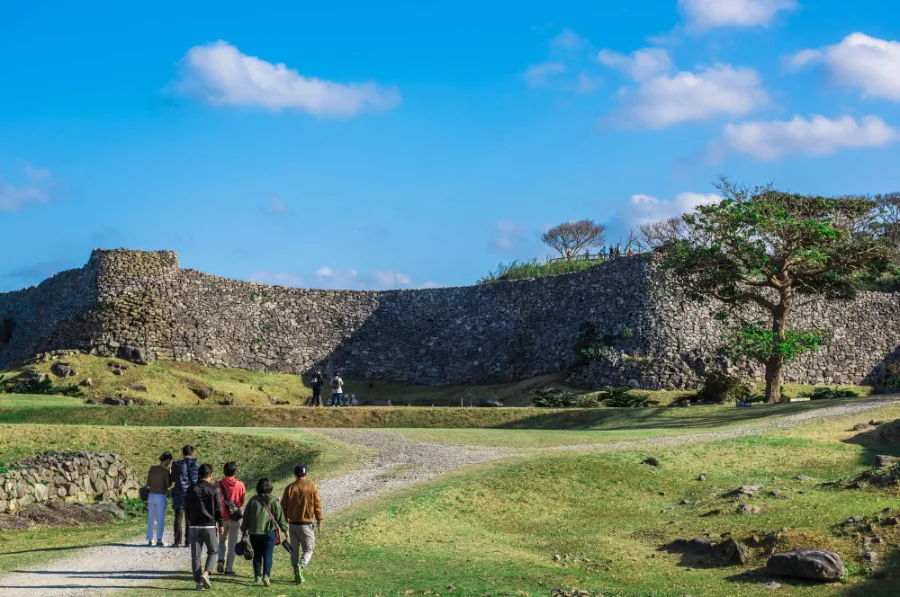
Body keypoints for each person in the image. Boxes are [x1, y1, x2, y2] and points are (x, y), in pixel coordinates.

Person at [241, 477, 288, 587]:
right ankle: (266, 576)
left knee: (257, 555)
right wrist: (285, 530)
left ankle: (257, 576)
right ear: (270, 488)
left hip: (254, 533)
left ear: (258, 488)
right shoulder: (274, 501)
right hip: (269, 532)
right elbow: (280, 517)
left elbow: (246, 516)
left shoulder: (252, 500)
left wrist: (244, 528)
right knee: (268, 555)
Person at [281, 464, 324, 584]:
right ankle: (301, 566)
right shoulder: (312, 487)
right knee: (309, 549)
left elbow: (283, 506)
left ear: (295, 475)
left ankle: (296, 572)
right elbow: (317, 506)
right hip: (306, 523)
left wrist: (284, 522)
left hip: (292, 524)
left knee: (294, 550)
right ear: (306, 474)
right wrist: (319, 520)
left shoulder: (289, 488)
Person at [185, 463, 223, 591]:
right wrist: (221, 524)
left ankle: (198, 583)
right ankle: (205, 574)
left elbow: (186, 507)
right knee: (213, 551)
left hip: (194, 525)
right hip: (209, 525)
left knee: (196, 555)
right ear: (210, 475)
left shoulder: (191, 489)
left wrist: (189, 521)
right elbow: (218, 508)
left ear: (199, 474)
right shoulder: (214, 489)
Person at [215, 461, 246, 576]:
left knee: (222, 541)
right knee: (232, 543)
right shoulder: (240, 485)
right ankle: (229, 568)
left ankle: (220, 560)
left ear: (224, 471)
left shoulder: (217, 484)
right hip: (234, 518)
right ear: (235, 472)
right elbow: (242, 501)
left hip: (222, 518)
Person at [171, 445, 200, 548]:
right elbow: (197, 481)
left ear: (182, 453)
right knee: (189, 517)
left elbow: (173, 479)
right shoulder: (196, 465)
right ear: (192, 453)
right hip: (191, 493)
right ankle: (188, 541)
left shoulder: (176, 465)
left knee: (178, 517)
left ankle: (177, 541)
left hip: (179, 492)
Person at [145, 451, 173, 547]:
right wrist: (169, 473)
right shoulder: (165, 471)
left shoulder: (152, 469)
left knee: (151, 518)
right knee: (160, 518)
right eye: (170, 461)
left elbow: (148, 483)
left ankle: (149, 539)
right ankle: (159, 540)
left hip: (151, 495)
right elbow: (168, 485)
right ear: (167, 460)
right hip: (161, 495)